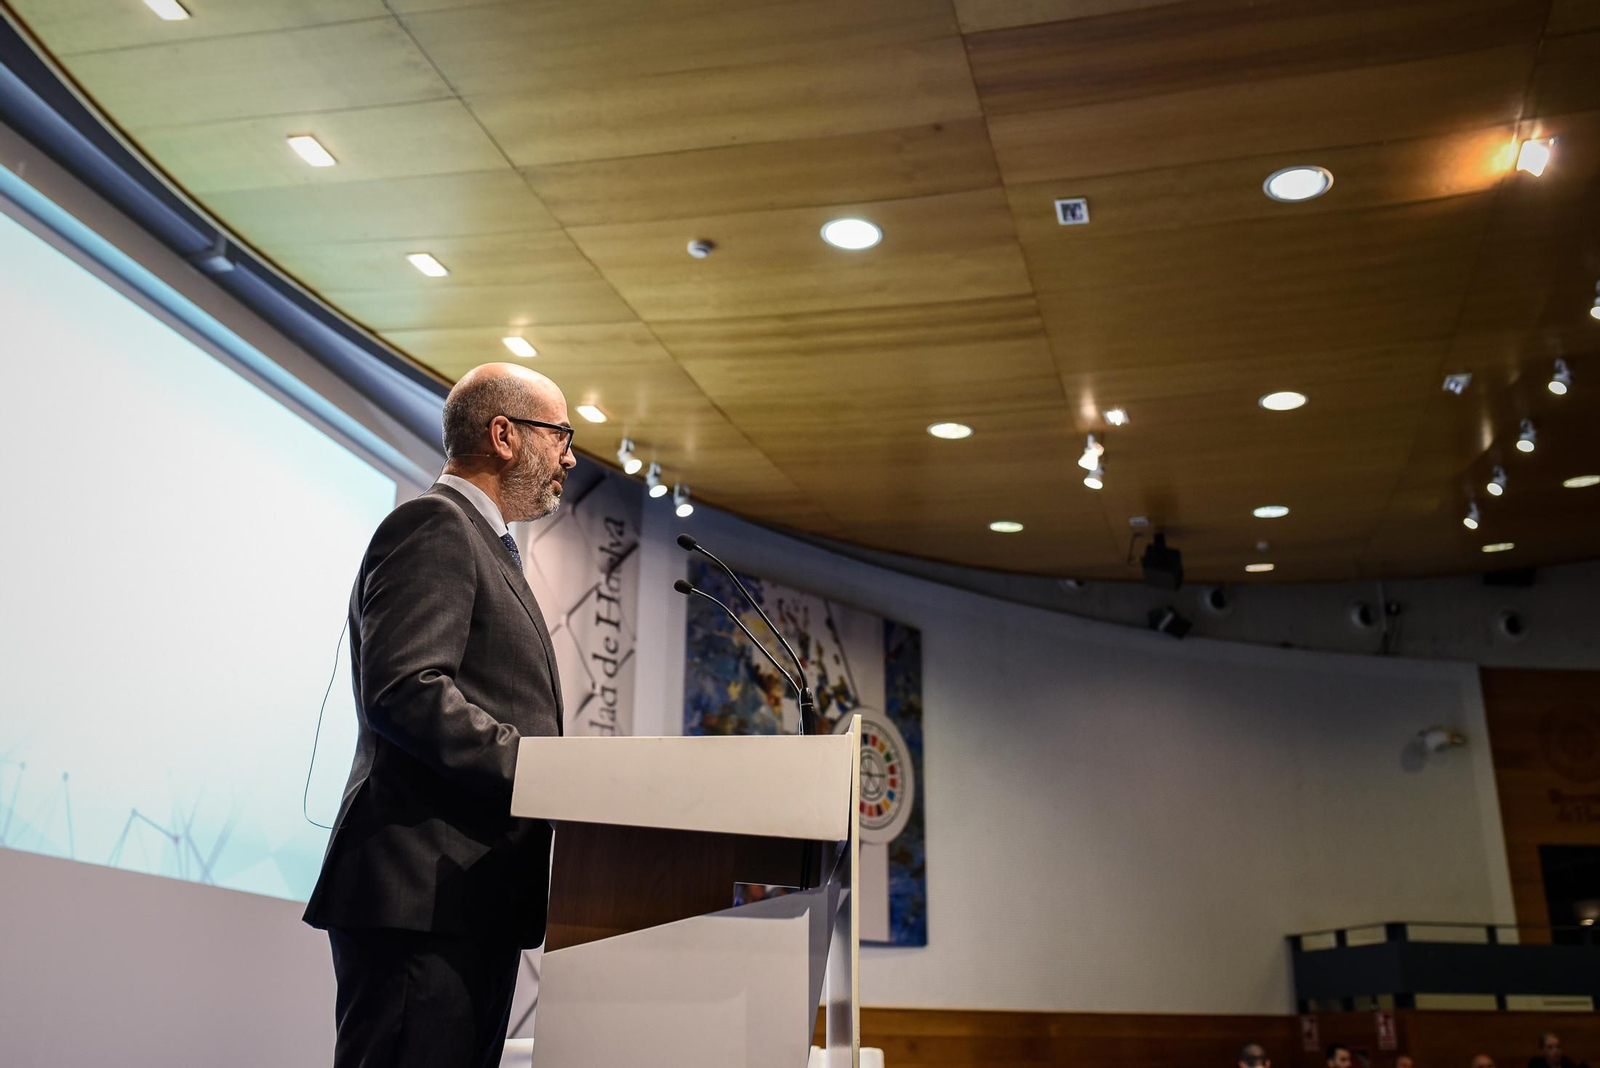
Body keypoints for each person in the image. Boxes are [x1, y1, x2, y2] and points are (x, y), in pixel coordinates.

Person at [303, 363, 578, 1068]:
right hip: (421, 900)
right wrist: (542, 771)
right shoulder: (435, 525)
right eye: (561, 435)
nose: (569, 457)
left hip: (467, 901)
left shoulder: (485, 545)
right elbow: (406, 689)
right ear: (505, 435)